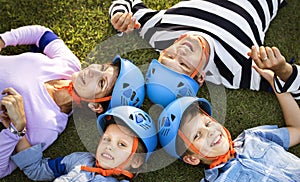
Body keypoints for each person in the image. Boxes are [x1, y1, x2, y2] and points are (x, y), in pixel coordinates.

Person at [0, 25, 145, 178]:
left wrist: (16, 130)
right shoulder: (69, 64)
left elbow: (3, 170)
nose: (93, 70)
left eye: (101, 82)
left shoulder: (47, 125)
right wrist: (3, 40)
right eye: (103, 67)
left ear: (95, 106)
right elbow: (42, 34)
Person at [156, 46, 300, 182]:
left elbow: (297, 129)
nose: (209, 131)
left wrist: (274, 81)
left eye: (207, 123)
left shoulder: (252, 137)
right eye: (197, 135)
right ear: (192, 159)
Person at [109, 0, 300, 106]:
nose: (180, 52)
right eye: (184, 65)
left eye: (168, 57)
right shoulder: (237, 70)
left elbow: (129, 2)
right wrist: (283, 70)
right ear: (200, 77)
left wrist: (119, 15)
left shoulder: (158, 32)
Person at [10, 105, 173, 182]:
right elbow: (36, 169)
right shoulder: (79, 160)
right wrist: (19, 129)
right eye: (107, 139)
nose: (109, 146)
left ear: (137, 161)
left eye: (121, 144)